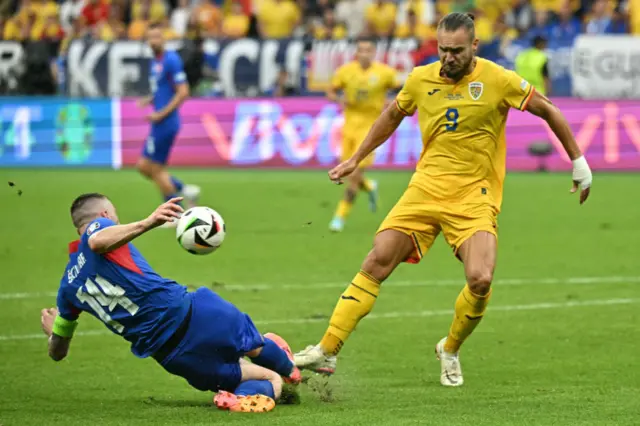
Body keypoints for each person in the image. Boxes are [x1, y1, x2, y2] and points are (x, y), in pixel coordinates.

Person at [294, 12, 593, 387]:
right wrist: (356, 158)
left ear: (474, 47)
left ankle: (449, 349)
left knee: (480, 278)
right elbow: (392, 114)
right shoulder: (421, 78)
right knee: (378, 258)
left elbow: (548, 109)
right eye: (443, 50)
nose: (448, 57)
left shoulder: (497, 79)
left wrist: (578, 161)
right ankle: (328, 348)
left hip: (474, 194)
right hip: (425, 188)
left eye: (456, 51)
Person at [40, 193, 301, 413]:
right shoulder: (99, 228)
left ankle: (241, 397)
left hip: (173, 356)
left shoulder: (67, 290)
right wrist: (149, 222)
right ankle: (291, 370)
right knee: (256, 346)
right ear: (105, 214)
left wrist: (54, 333)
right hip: (195, 315)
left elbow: (57, 352)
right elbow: (96, 242)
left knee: (261, 377)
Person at [327, 35, 399, 232]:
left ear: (374, 53)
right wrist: (339, 99)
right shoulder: (346, 72)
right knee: (349, 172)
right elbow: (331, 91)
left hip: (370, 130)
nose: (364, 54)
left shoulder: (384, 73)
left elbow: (401, 90)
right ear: (356, 53)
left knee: (354, 173)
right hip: (349, 127)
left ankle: (339, 217)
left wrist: (390, 102)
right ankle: (369, 186)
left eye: (368, 50)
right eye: (361, 50)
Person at [137, 23, 200, 227]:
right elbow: (164, 89)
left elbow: (183, 91)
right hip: (160, 123)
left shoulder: (171, 59)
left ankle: (173, 215)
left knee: (154, 169)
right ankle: (184, 189)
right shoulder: (156, 62)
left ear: (163, 38)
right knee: (145, 167)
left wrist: (160, 114)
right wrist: (150, 99)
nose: (154, 41)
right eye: (150, 37)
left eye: (157, 36)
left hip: (166, 122)